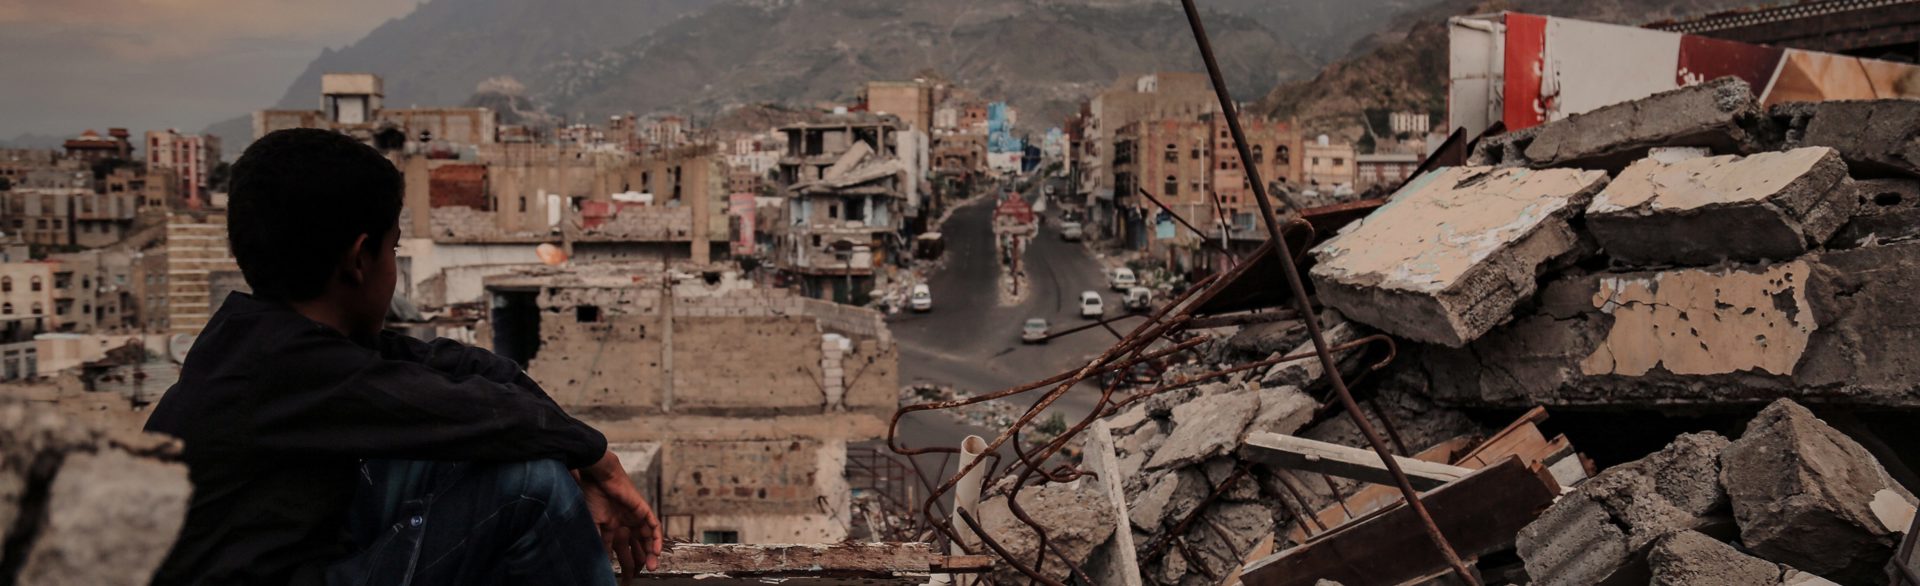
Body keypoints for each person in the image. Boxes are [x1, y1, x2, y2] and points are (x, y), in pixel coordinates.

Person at [145, 128, 661, 586]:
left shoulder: (271, 343)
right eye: (393, 251)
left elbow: (468, 372)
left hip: (304, 559)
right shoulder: (287, 370)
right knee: (530, 487)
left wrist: (575, 449)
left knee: (503, 448)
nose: (393, 267)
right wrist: (598, 460)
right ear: (359, 259)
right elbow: (470, 411)